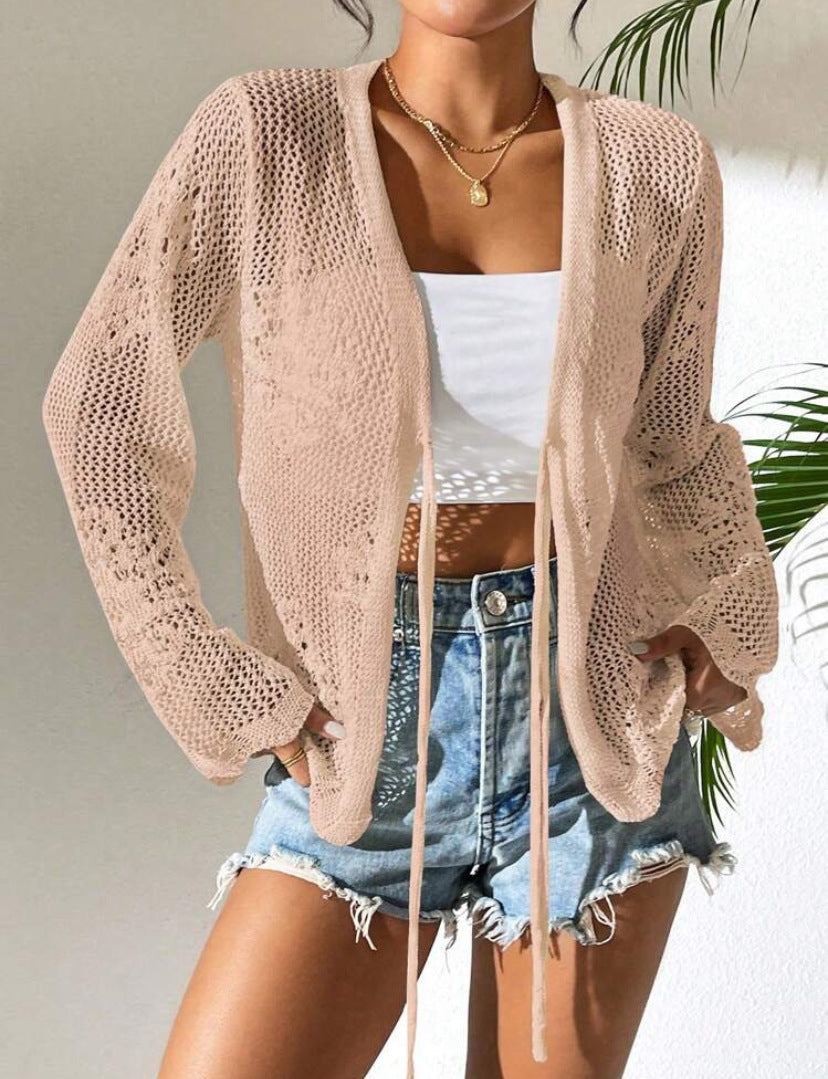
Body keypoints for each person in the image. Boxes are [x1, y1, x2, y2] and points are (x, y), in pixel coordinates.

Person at [41, 3, 779, 1077]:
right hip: (362, 727)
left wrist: (728, 617)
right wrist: (204, 671)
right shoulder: (264, 136)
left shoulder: (653, 164)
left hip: (594, 728)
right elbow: (100, 409)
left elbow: (673, 438)